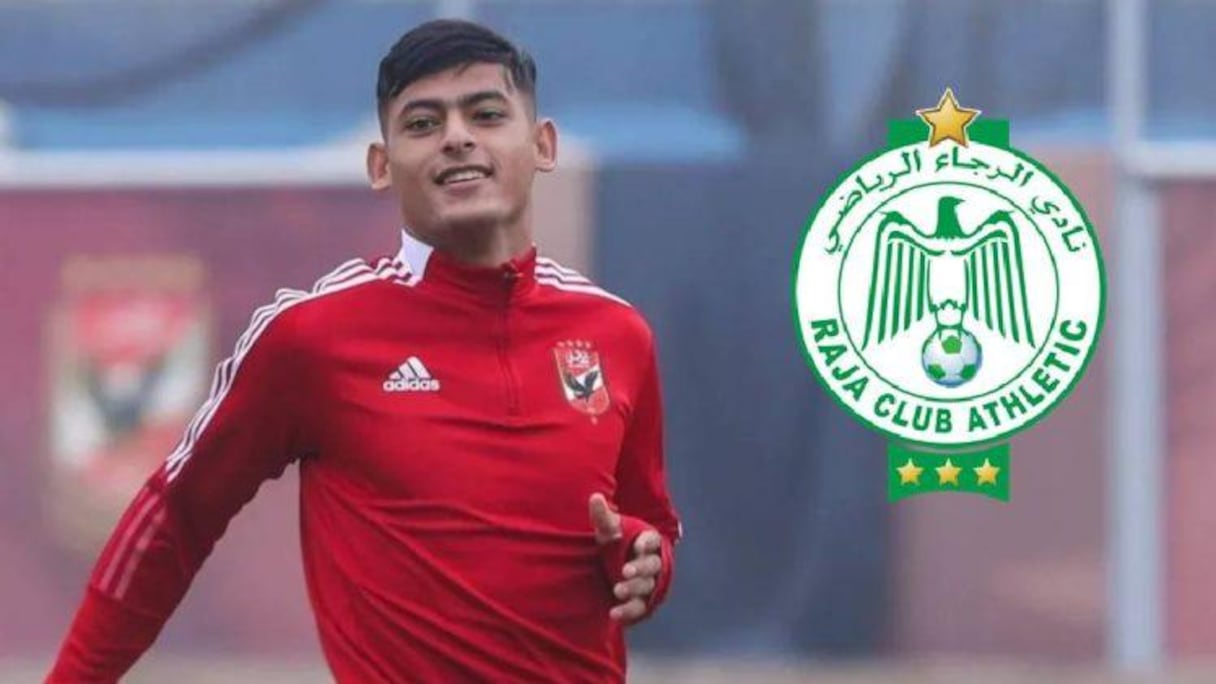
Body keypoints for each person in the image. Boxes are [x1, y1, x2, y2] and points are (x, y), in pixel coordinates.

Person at [47, 18, 680, 683]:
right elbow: (176, 515)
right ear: (381, 166)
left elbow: (652, 525)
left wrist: (647, 565)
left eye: (487, 115)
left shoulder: (617, 335)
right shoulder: (313, 336)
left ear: (542, 144)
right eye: (422, 124)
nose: (457, 137)